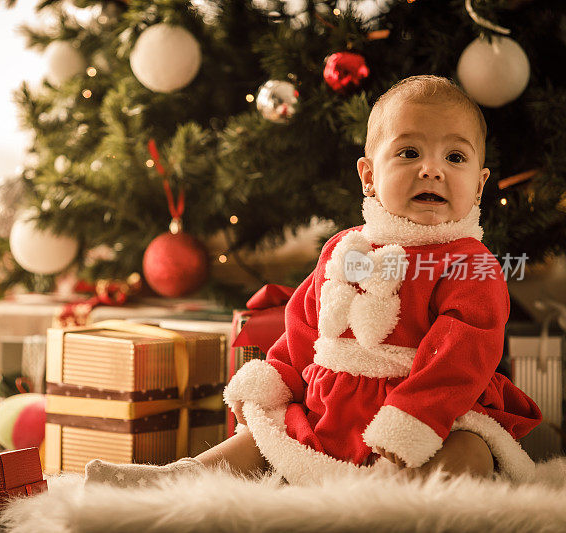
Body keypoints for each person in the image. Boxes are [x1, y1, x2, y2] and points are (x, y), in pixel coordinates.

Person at [85, 75, 542, 487]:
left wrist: (414, 418)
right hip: (334, 407)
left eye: (455, 156)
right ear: (368, 176)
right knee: (262, 439)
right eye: (408, 152)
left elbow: (465, 352)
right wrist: (276, 378)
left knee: (468, 454)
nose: (432, 169)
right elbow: (305, 325)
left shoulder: (469, 263)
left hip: (432, 411)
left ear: (479, 186)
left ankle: (390, 505)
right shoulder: (345, 249)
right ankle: (176, 478)